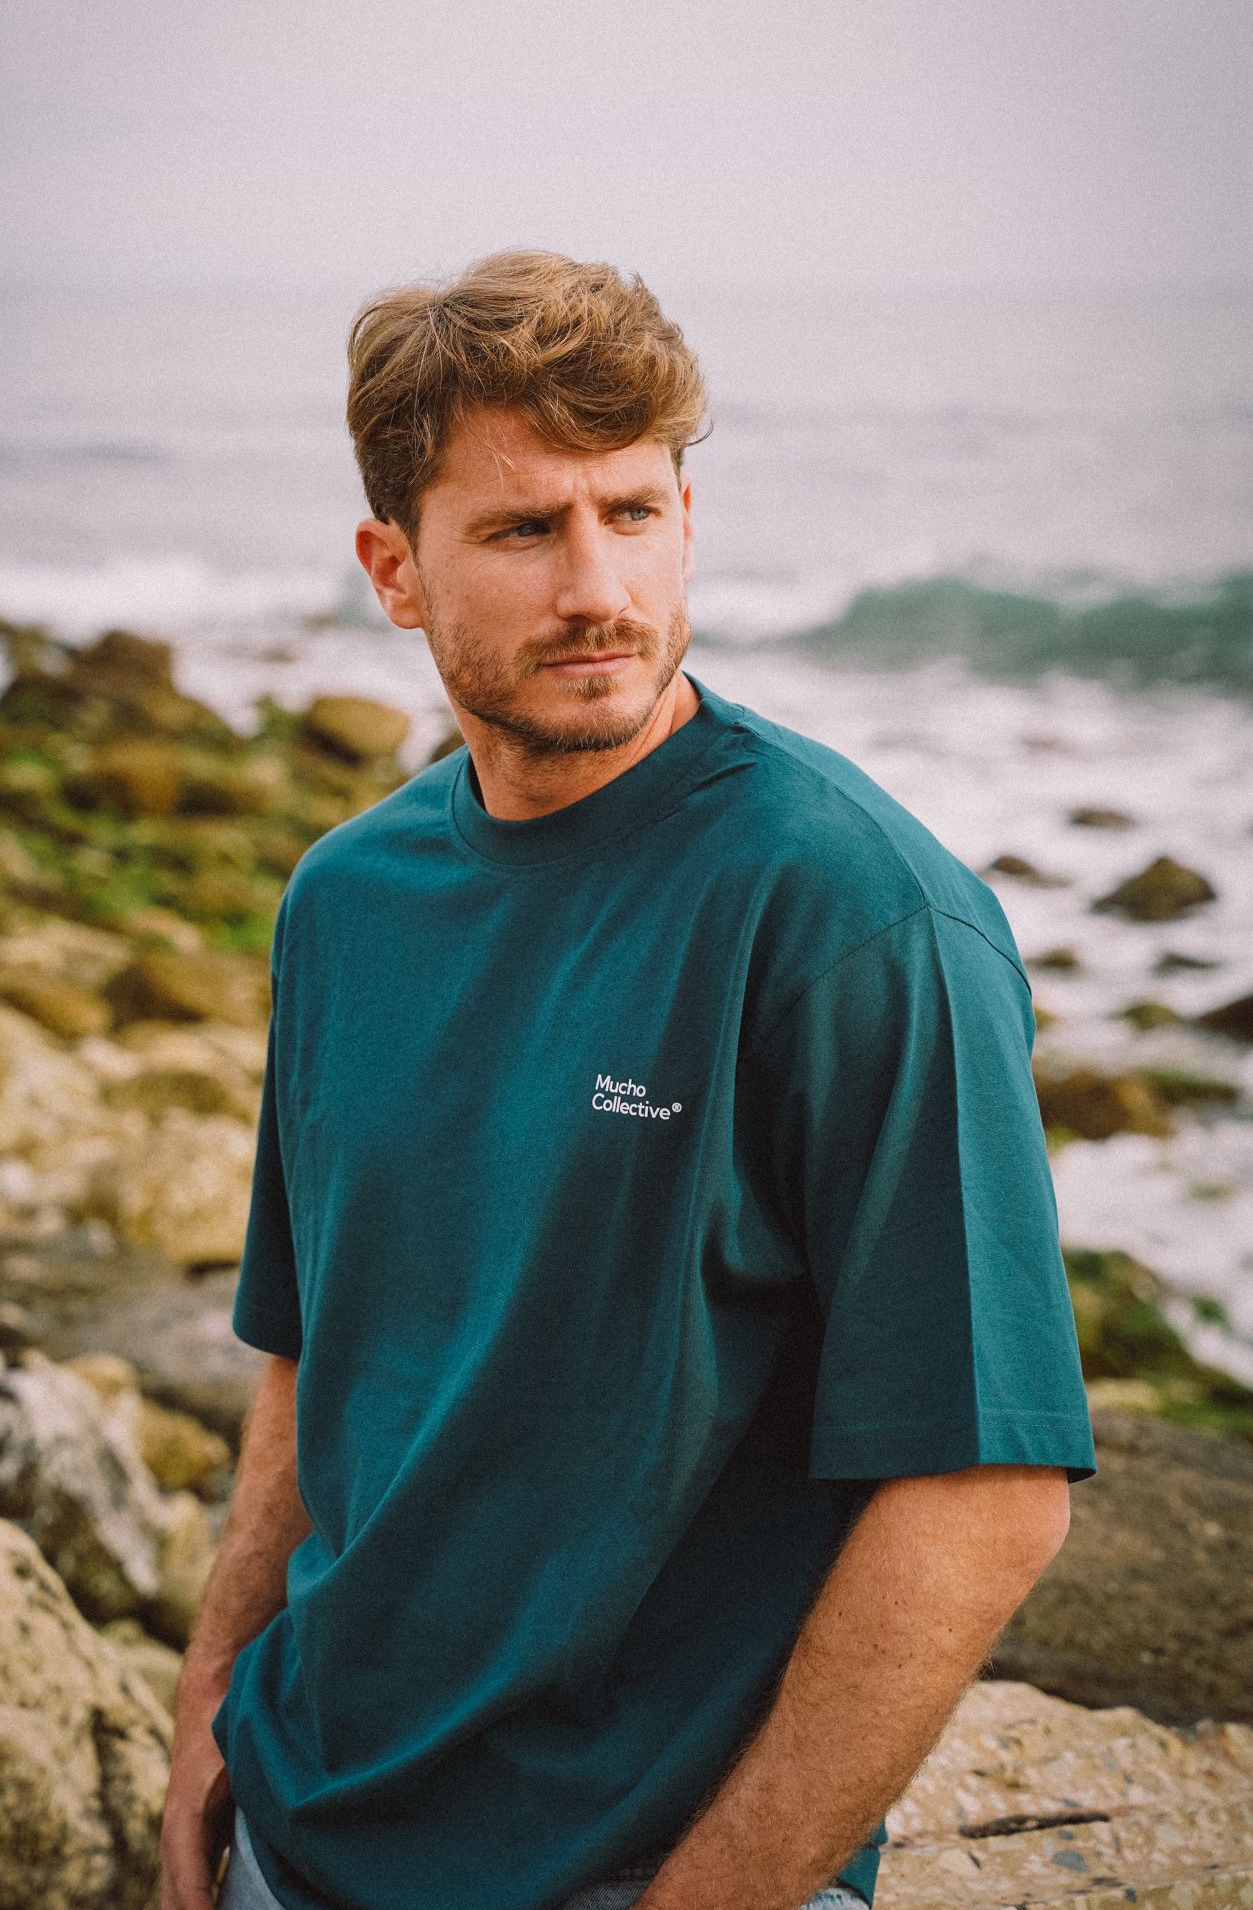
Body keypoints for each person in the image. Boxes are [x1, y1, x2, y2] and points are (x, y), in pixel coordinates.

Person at [160, 250, 1096, 1910]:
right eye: (525, 529)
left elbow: (985, 1493)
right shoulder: (346, 902)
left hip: (626, 1863)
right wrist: (209, 1704)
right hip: (297, 1828)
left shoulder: (855, 920)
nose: (597, 586)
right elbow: (315, 1354)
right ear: (393, 569)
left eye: (633, 513)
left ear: (687, 520)